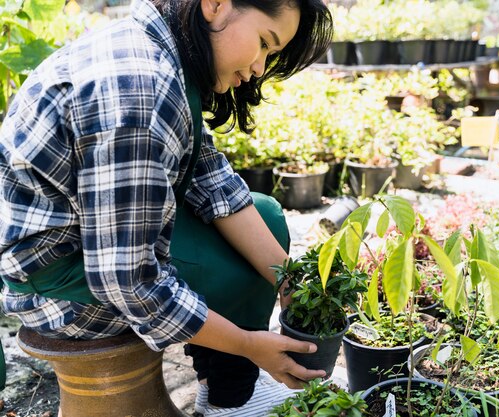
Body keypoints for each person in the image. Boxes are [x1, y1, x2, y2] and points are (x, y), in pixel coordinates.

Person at [0, 0, 332, 414]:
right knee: (237, 269)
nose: (260, 67)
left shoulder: (161, 47)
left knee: (264, 214)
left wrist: (290, 282)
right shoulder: (140, 85)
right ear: (215, 5)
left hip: (87, 244)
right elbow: (129, 281)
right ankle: (233, 398)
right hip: (59, 287)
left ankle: (227, 388)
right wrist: (250, 347)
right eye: (264, 43)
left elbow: (213, 180)